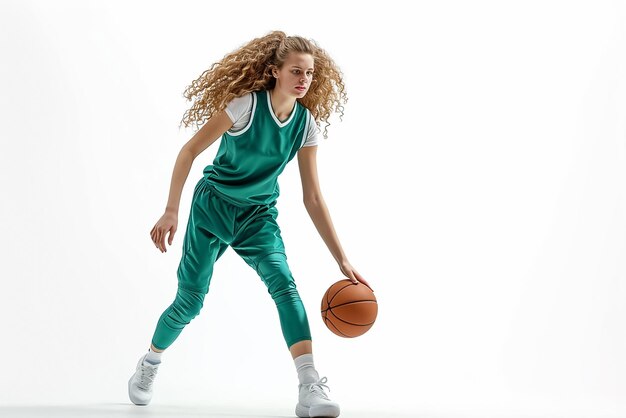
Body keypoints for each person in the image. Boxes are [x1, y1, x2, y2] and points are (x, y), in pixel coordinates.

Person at [127, 30, 372, 418]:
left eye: (309, 73)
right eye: (296, 71)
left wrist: (341, 259)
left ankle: (309, 386)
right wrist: (171, 209)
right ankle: (150, 363)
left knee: (284, 284)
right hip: (212, 209)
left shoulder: (305, 124)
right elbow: (189, 151)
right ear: (275, 72)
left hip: (258, 218)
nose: (304, 79)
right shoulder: (244, 106)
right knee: (189, 303)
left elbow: (312, 197)